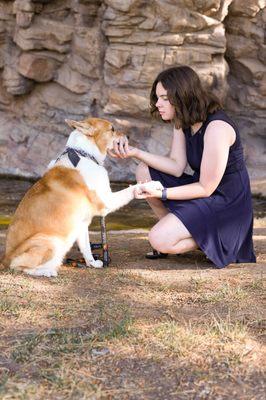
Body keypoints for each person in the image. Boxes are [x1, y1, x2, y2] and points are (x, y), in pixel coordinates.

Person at [109, 65, 256, 268]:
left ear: (182, 96)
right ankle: (180, 230)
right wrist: (135, 152)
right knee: (144, 170)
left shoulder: (217, 128)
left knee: (158, 239)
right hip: (206, 194)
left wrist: (162, 192)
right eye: (157, 97)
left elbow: (206, 187)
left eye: (165, 98)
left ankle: (217, 239)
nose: (158, 103)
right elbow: (177, 166)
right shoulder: (183, 120)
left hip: (226, 203)